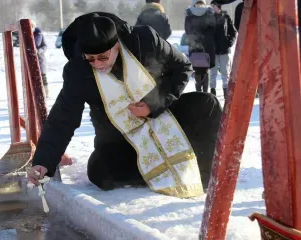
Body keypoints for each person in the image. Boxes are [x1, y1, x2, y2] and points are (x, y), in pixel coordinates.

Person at [27, 12, 222, 195]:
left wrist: (152, 104)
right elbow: (63, 117)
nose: (98, 64)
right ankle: (154, 171)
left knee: (207, 104)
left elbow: (181, 68)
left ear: (117, 45)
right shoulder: (78, 71)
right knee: (99, 170)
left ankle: (204, 172)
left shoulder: (144, 41)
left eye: (103, 57)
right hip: (122, 139)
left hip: (164, 117)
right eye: (91, 59)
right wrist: (44, 161)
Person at [185, 0, 216, 93]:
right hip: (207, 47)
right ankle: (205, 93)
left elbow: (188, 31)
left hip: (194, 47)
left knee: (197, 70)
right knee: (205, 70)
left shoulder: (189, 15)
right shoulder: (209, 13)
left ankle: (199, 92)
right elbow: (212, 30)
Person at [209, 1, 236, 98]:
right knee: (213, 73)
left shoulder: (226, 17)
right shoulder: (208, 18)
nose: (212, 7)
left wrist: (229, 43)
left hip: (224, 50)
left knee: (225, 72)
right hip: (213, 50)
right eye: (211, 6)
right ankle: (212, 91)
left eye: (214, 5)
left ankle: (226, 92)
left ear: (218, 6)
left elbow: (233, 32)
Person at [31, 21, 49, 97]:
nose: (31, 27)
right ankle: (34, 93)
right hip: (30, 60)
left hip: (40, 59)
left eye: (32, 25)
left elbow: (45, 46)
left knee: (42, 76)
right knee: (33, 77)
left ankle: (45, 93)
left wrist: (38, 51)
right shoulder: (25, 35)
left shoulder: (40, 35)